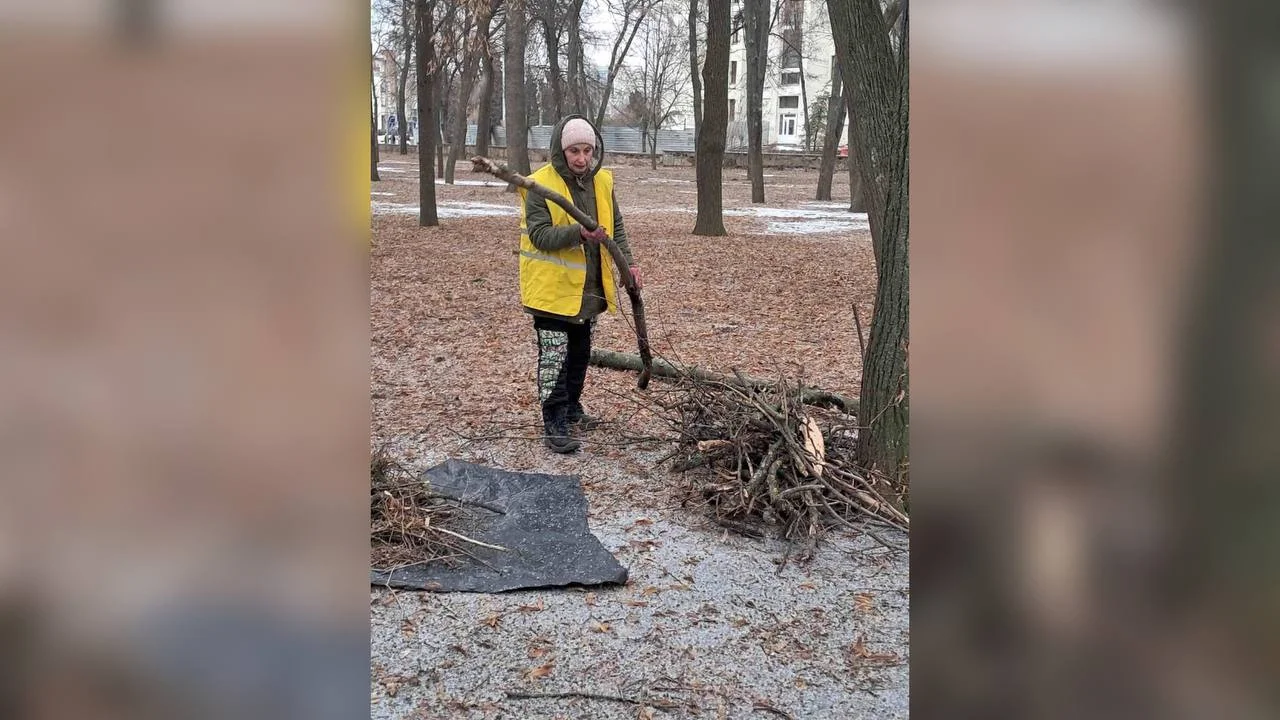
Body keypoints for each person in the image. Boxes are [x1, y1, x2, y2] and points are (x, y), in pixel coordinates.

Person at [517, 115, 643, 454]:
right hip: (551, 293)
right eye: (574, 150)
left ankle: (572, 408)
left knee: (579, 355)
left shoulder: (601, 182)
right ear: (561, 149)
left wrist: (629, 265)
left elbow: (615, 227)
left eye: (588, 150)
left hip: (587, 292)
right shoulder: (538, 185)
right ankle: (554, 420)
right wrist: (579, 232)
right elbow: (540, 235)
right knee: (555, 359)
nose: (582, 158)